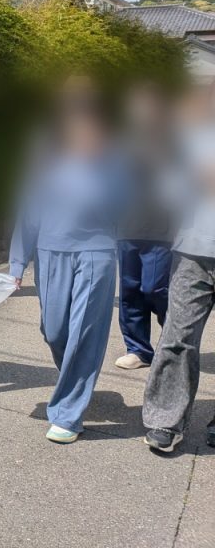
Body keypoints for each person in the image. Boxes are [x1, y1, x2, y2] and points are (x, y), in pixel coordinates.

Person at [9, 79, 127, 444]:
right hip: (50, 251)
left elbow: (125, 204)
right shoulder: (45, 149)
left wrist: (98, 164)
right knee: (55, 330)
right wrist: (17, 263)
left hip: (95, 251)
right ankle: (76, 379)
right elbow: (29, 206)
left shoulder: (113, 151)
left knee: (83, 334)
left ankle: (68, 414)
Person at [142, 81, 215, 453]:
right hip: (193, 252)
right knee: (177, 337)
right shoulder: (190, 140)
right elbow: (167, 193)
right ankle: (165, 420)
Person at [114, 83, 177, 370]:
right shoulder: (120, 142)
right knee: (130, 291)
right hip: (127, 228)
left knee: (155, 288)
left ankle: (173, 337)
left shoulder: (174, 142)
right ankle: (138, 349)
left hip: (163, 229)